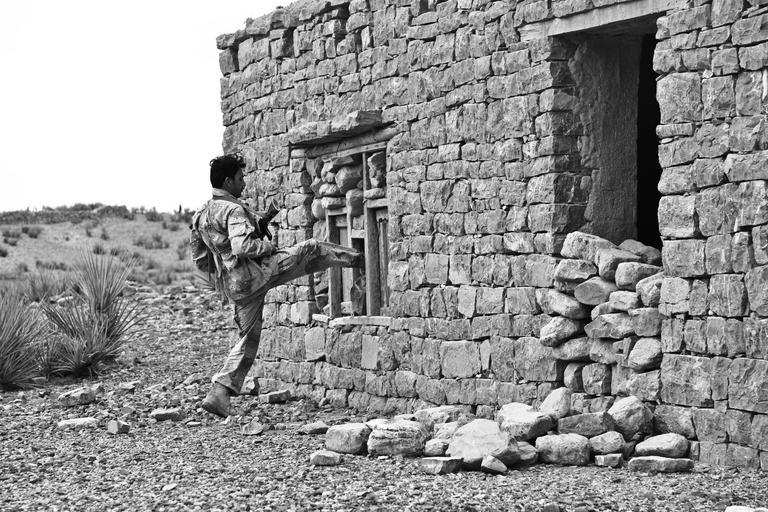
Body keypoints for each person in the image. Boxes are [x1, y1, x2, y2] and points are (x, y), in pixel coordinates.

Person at [190, 154, 363, 417]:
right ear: (227, 181)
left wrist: (227, 268)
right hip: (256, 275)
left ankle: (219, 393)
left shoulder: (201, 214)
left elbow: (201, 260)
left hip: (234, 285)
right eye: (240, 178)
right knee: (312, 248)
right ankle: (360, 259)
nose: (244, 183)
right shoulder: (232, 210)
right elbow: (242, 246)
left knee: (248, 338)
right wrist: (268, 247)